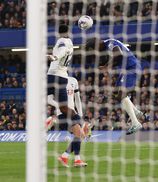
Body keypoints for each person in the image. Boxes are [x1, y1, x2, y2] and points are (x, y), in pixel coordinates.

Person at [86, 38, 149, 135]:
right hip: (126, 69)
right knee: (117, 93)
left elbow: (119, 54)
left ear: (98, 43)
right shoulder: (107, 46)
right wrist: (106, 65)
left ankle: (136, 123)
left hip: (131, 68)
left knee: (121, 95)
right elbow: (117, 59)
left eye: (94, 48)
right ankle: (136, 112)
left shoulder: (110, 43)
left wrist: (107, 66)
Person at [46, 24, 89, 167]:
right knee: (80, 133)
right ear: (68, 32)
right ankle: (54, 120)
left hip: (54, 76)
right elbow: (65, 49)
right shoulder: (70, 43)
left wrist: (54, 56)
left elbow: (62, 49)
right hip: (61, 85)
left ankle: (68, 157)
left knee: (80, 134)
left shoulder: (62, 42)